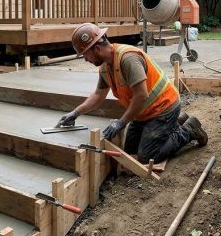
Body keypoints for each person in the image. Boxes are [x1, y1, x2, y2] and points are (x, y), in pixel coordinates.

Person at [56, 23, 207, 164]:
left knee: (146, 156)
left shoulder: (128, 59)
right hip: (143, 113)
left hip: (164, 107)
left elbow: (142, 95)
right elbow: (98, 96)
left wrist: (121, 122)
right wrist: (75, 113)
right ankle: (176, 123)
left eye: (85, 54)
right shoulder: (105, 67)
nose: (85, 60)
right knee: (130, 152)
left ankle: (189, 130)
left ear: (96, 49)